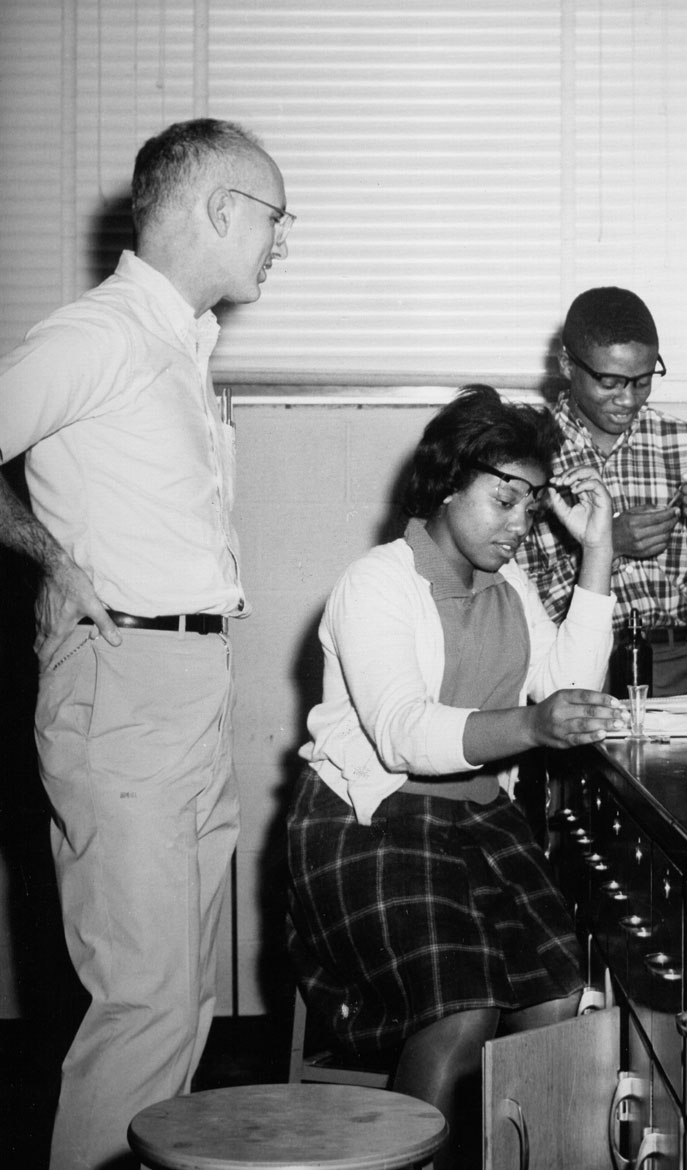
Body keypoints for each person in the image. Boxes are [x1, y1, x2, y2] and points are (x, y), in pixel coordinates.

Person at [0, 118, 291, 1170]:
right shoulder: (103, 334)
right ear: (219, 208)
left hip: (185, 677)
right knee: (147, 1006)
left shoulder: (176, 344)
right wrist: (46, 553)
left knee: (186, 1003)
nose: (279, 243)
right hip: (122, 680)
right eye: (273, 218)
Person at [285, 384, 623, 1170]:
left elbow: (565, 679)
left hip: (475, 823)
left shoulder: (510, 591)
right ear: (445, 484)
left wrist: (598, 558)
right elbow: (404, 737)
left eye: (532, 506)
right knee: (461, 1010)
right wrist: (534, 726)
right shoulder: (377, 583)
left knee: (557, 1000)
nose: (521, 525)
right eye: (504, 500)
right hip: (369, 822)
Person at [517, 286, 687, 696]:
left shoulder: (684, 446)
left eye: (642, 382)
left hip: (681, 672)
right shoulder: (529, 455)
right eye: (610, 382)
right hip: (577, 674)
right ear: (567, 365)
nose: (628, 399)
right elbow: (517, 612)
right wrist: (607, 547)